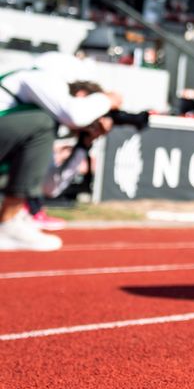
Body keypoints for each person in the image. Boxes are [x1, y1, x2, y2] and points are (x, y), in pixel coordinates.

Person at [0, 67, 120, 251]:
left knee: (43, 125)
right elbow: (75, 115)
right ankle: (8, 222)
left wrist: (84, 144)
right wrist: (110, 100)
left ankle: (11, 219)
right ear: (82, 96)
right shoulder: (45, 79)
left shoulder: (40, 131)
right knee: (42, 123)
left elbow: (49, 187)